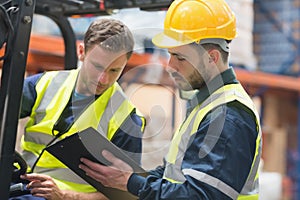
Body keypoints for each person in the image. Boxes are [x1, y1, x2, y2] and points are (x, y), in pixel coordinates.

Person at [79, 0, 262, 199]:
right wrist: (131, 178)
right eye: (170, 55)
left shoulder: (227, 116)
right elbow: (173, 177)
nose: (170, 66)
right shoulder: (207, 107)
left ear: (212, 57)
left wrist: (130, 181)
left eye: (180, 58)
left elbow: (198, 196)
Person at [11, 18, 145, 200]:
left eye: (114, 70)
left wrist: (65, 196)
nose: (103, 79)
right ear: (81, 52)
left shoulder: (127, 119)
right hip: (20, 184)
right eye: (97, 67)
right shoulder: (43, 85)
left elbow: (125, 196)